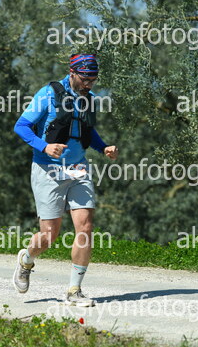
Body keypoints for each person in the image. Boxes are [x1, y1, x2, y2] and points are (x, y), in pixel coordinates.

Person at [13, 54, 118, 307]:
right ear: (72, 73)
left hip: (78, 168)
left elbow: (87, 131)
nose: (89, 84)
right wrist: (44, 146)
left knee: (85, 227)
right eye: (85, 79)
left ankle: (74, 290)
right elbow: (21, 126)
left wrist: (103, 147)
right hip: (47, 169)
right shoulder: (47, 94)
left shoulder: (88, 99)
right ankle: (26, 260)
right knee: (49, 235)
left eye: (93, 80)